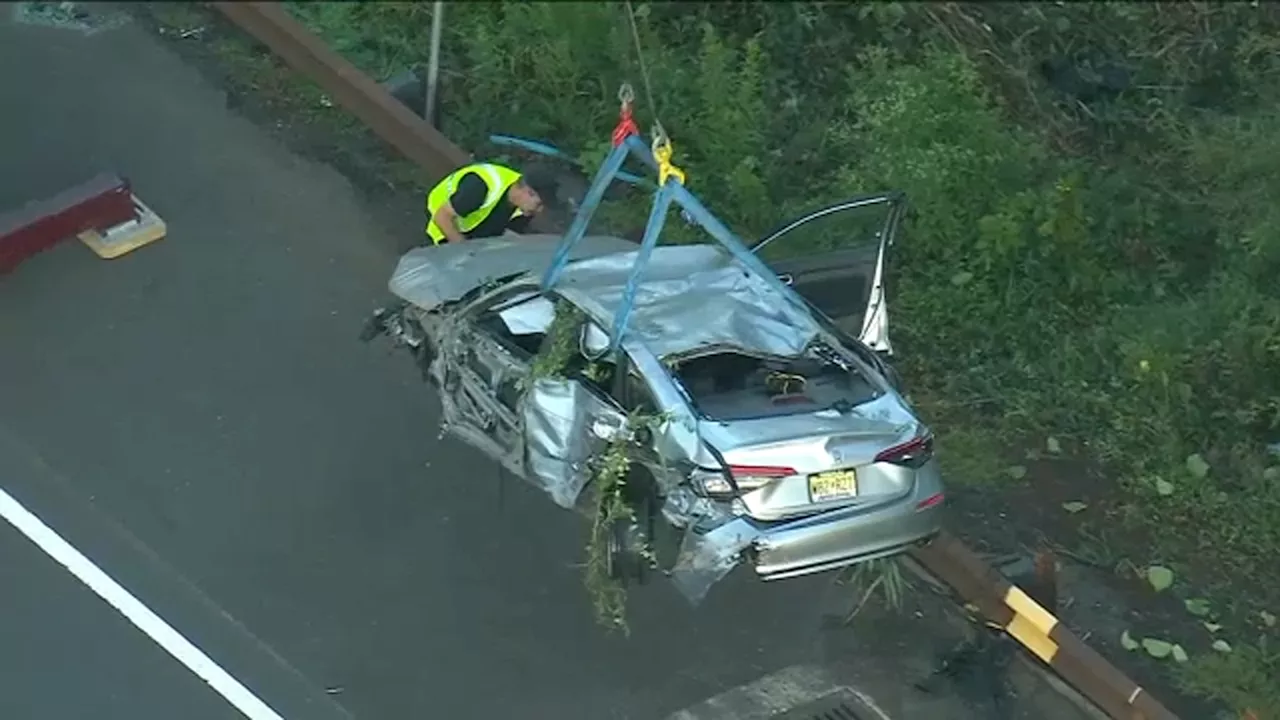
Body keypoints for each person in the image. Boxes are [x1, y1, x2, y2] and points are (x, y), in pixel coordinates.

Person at [424, 162, 552, 244]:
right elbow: (441, 217)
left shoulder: (524, 208)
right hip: (442, 229)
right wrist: (465, 253)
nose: (539, 211)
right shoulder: (480, 186)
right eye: (538, 204)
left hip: (474, 233)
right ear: (529, 192)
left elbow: (507, 237)